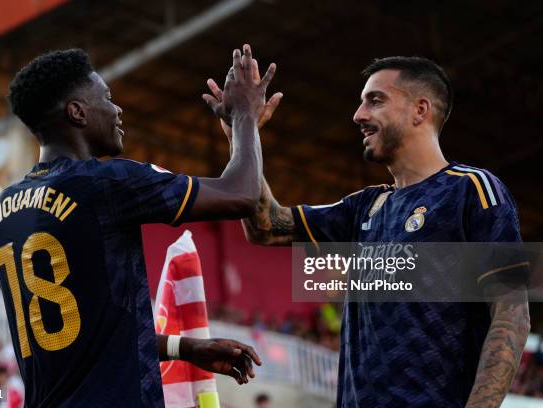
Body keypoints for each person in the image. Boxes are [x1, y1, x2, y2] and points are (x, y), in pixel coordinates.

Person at [206, 56, 531, 407]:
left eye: (375, 100)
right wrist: (242, 131)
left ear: (420, 110)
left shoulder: (472, 190)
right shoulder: (363, 206)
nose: (358, 115)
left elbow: (511, 313)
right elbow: (266, 227)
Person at [0, 45, 276, 407]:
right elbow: (241, 194)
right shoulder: (107, 183)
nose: (117, 108)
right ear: (77, 112)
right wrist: (245, 116)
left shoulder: (6, 208)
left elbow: (85, 338)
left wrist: (185, 347)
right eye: (106, 98)